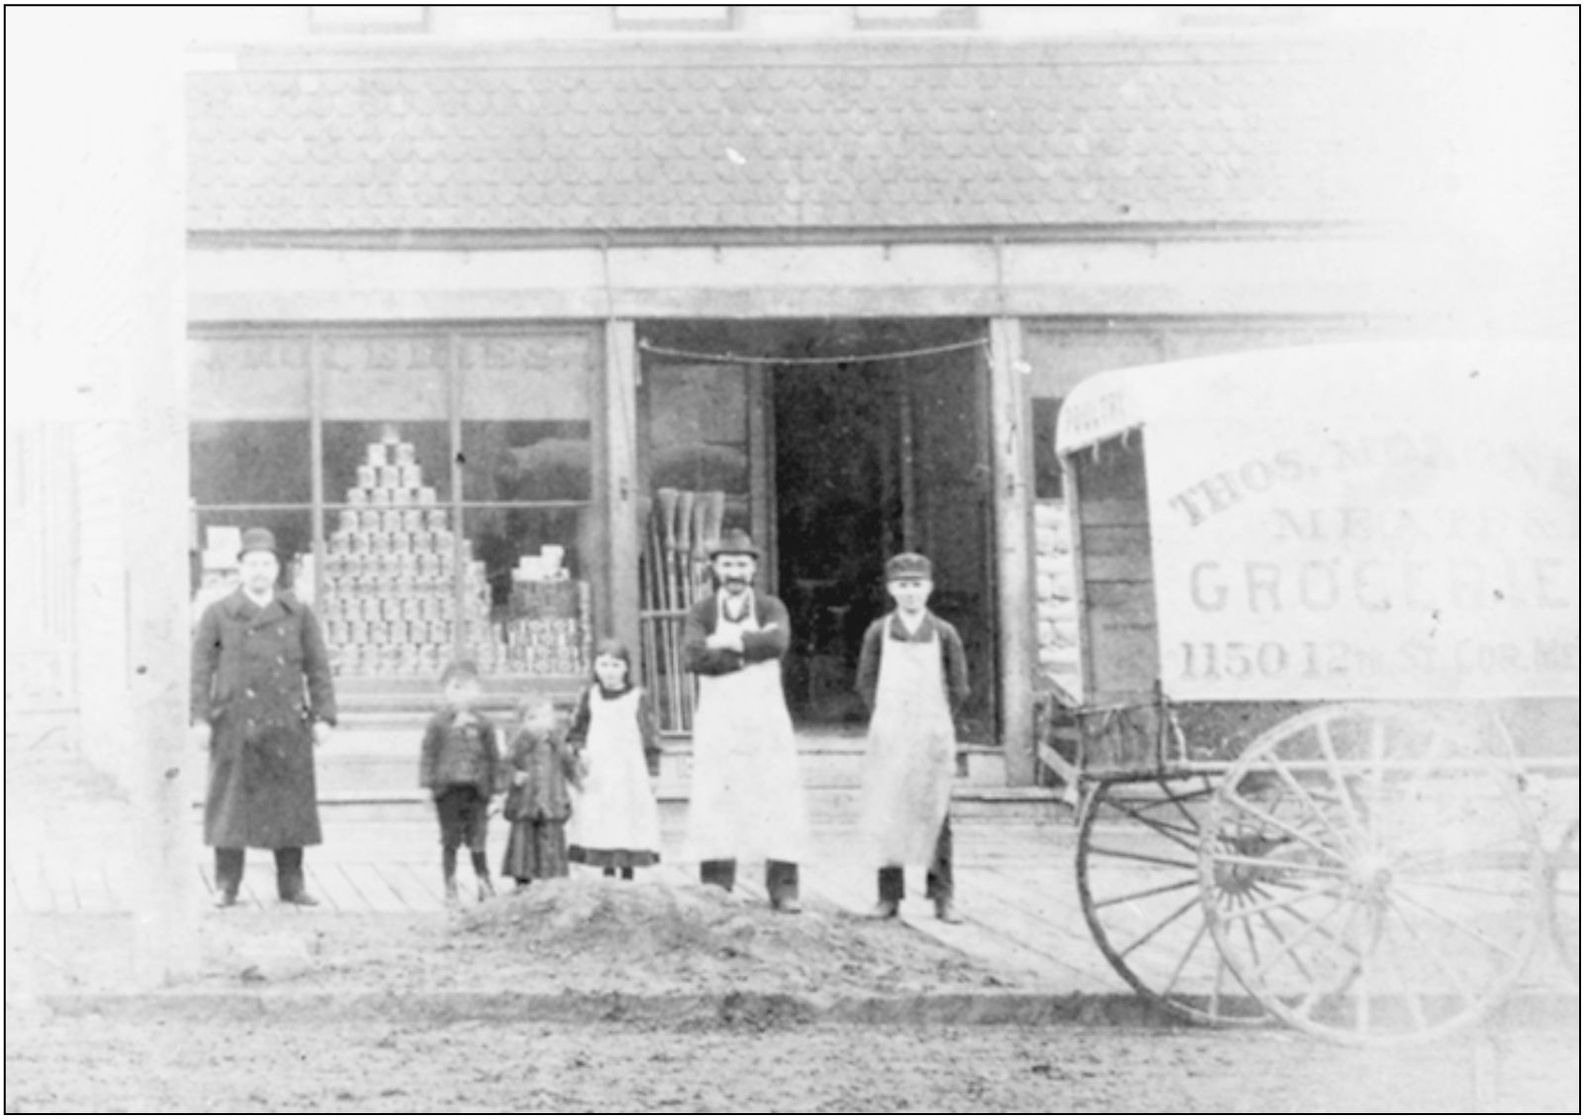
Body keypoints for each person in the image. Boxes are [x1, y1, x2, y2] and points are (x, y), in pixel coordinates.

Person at [190, 527, 336, 908]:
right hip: (235, 724)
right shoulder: (219, 615)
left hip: (286, 723)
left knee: (290, 804)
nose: (259, 571)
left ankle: (292, 883)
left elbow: (319, 669)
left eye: (267, 563)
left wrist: (323, 717)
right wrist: (200, 719)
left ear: (277, 569)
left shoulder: (298, 614)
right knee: (230, 807)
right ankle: (226, 884)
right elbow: (200, 671)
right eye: (252, 564)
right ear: (240, 569)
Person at [682, 529, 809, 913]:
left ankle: (784, 887)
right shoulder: (701, 611)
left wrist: (728, 643)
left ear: (753, 568)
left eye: (741, 564)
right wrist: (749, 650)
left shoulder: (771, 607)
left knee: (777, 793)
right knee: (716, 792)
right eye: (726, 564)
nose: (734, 572)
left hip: (764, 717)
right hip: (719, 719)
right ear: (715, 568)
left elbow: (778, 644)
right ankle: (716, 885)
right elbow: (693, 656)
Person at [854, 552, 970, 923]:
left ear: (929, 588)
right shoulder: (879, 631)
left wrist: (937, 721)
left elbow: (960, 686)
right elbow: (865, 681)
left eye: (917, 585)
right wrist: (886, 718)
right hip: (890, 734)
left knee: (936, 813)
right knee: (888, 812)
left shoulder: (944, 632)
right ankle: (888, 897)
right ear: (891, 589)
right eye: (902, 586)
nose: (910, 593)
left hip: (932, 734)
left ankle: (942, 897)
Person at [566, 639, 663, 881]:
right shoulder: (589, 697)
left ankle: (627, 871)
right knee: (599, 817)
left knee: (628, 817)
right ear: (596, 667)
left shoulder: (637, 697)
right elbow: (576, 730)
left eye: (616, 665)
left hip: (629, 770)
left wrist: (653, 771)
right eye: (604, 664)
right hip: (598, 770)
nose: (609, 671)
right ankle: (606, 871)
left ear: (626, 668)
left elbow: (650, 736)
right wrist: (580, 750)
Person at [419, 659, 502, 905]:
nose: (462, 694)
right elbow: (429, 755)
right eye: (456, 687)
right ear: (444, 691)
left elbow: (494, 758)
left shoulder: (485, 725)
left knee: (478, 839)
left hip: (477, 791)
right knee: (450, 840)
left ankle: (483, 881)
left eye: (468, 688)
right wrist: (427, 787)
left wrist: (497, 791)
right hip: (448, 791)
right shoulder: (438, 724)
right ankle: (450, 884)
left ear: (479, 691)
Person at [500, 698, 582, 891]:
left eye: (545, 716)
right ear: (523, 721)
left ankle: (552, 879)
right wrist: (514, 775)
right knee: (523, 840)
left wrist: (580, 782)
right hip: (525, 801)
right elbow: (505, 764)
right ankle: (522, 880)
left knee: (551, 839)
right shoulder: (519, 742)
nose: (539, 722)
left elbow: (569, 765)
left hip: (552, 799)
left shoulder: (557, 743)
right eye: (532, 717)